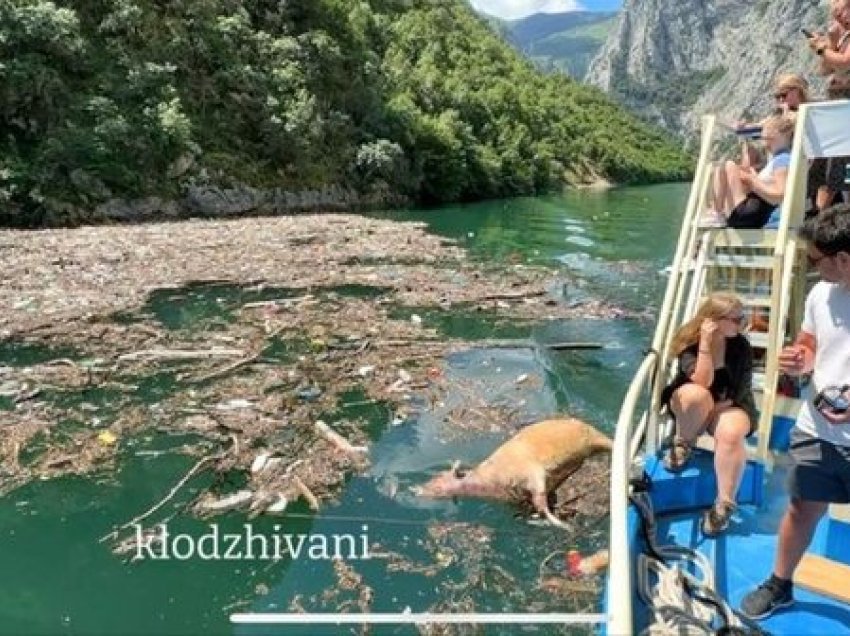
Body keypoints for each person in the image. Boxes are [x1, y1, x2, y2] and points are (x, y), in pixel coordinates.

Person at [740, 205, 850, 620]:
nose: (811, 266)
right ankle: (780, 584)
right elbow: (810, 343)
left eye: (816, 259)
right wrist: (799, 358)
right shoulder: (821, 294)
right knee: (801, 509)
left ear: (843, 259)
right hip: (817, 428)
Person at [660, 292, 756, 537]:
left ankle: (724, 505)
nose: (741, 324)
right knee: (697, 395)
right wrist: (705, 344)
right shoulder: (690, 343)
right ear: (713, 319)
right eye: (735, 319)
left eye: (741, 318)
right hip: (695, 402)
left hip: (730, 402)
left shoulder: (741, 345)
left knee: (732, 433)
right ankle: (684, 442)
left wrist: (726, 403)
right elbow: (702, 382)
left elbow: (743, 385)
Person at [704, 115, 794, 228]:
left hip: (749, 216)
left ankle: (717, 213)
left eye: (765, 128)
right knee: (723, 168)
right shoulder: (780, 159)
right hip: (751, 214)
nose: (761, 133)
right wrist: (751, 178)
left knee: (729, 165)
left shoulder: (782, 159)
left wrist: (752, 180)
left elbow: (780, 196)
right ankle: (716, 212)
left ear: (776, 133)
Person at [806, 0, 850, 212]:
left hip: (846, 110)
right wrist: (830, 45)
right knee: (828, 164)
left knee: (841, 167)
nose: (838, 18)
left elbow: (845, 62)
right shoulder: (843, 38)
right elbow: (824, 70)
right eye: (835, 15)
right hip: (838, 109)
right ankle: (820, 216)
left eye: (841, 12)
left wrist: (823, 48)